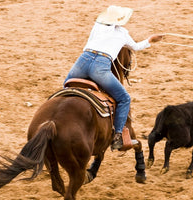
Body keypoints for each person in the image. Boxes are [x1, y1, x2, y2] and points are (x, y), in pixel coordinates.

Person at [64, 5, 163, 150]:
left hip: (83, 60)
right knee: (124, 98)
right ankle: (118, 136)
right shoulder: (123, 33)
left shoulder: (97, 26)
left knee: (66, 86)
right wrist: (150, 40)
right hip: (101, 66)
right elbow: (135, 47)